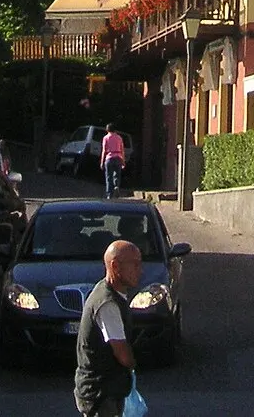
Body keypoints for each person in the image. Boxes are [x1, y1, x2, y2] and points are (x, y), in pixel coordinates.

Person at [74, 238, 140, 416]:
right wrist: (133, 365)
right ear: (115, 266)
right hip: (100, 393)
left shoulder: (110, 293)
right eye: (134, 264)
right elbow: (122, 353)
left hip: (106, 390)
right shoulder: (107, 303)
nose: (139, 270)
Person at [99, 124, 127, 198]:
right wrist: (123, 161)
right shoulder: (119, 138)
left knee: (108, 177)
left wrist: (102, 162)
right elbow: (122, 150)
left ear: (107, 129)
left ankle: (109, 194)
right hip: (118, 157)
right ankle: (116, 186)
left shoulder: (106, 138)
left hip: (109, 157)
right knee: (117, 175)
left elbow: (104, 150)